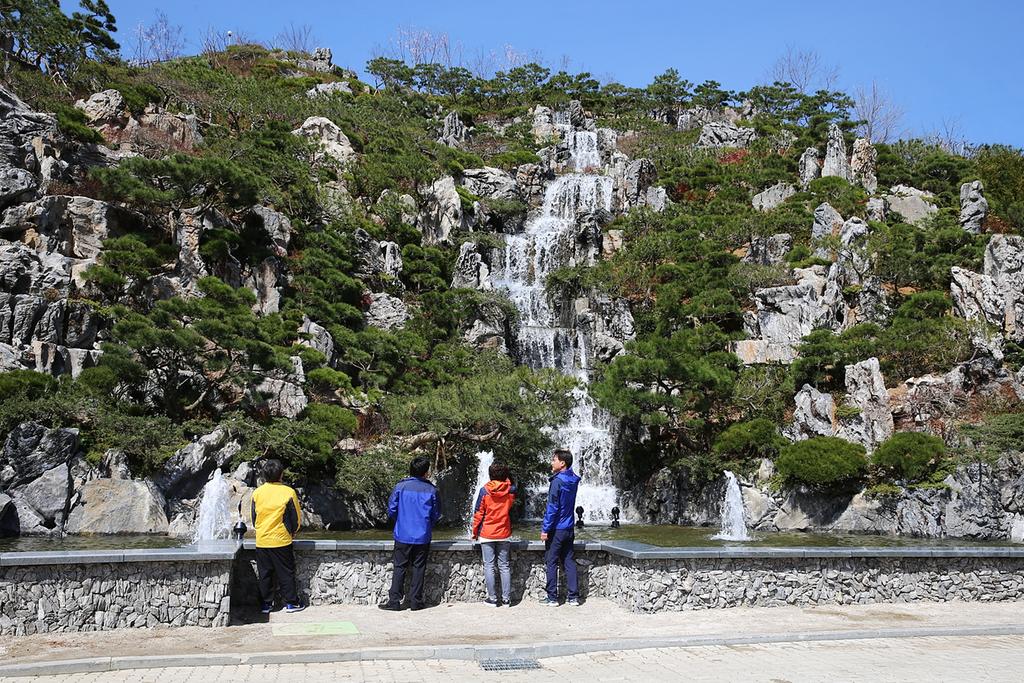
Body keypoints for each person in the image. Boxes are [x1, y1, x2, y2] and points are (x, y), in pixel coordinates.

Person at [379, 456, 440, 611]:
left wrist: (401, 520)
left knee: (399, 567)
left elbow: (392, 509)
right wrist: (427, 525)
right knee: (419, 567)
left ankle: (394, 602)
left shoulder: (401, 487)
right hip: (423, 535)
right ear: (426, 472)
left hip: (403, 534)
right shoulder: (432, 489)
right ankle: (415, 601)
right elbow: (436, 514)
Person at [250, 459, 304, 613]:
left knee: (265, 574)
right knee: (286, 572)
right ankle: (291, 603)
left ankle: (266, 604)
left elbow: (254, 518)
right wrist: (293, 531)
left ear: (264, 475)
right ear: (281, 475)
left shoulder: (257, 493)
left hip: (262, 540)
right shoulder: (288, 492)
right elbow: (296, 518)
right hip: (281, 540)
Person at [471, 462, 516, 607]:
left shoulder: (485, 490)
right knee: (504, 566)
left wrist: (474, 532)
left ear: (490, 475)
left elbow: (478, 513)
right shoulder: (510, 490)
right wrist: (506, 479)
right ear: (506, 475)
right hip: (504, 532)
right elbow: (509, 484)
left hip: (487, 533)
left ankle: (492, 598)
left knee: (489, 566)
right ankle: (506, 599)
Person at [540, 448, 581, 606]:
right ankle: (573, 597)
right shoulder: (573, 480)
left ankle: (552, 598)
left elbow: (552, 507)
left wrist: (545, 529)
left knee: (551, 561)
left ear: (562, 463)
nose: (551, 462)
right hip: (569, 528)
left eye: (554, 460)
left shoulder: (557, 481)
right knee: (569, 561)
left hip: (556, 529)